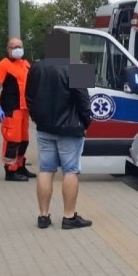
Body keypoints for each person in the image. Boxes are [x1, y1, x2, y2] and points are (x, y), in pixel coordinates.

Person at [25, 32, 93, 230]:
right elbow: (84, 101)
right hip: (71, 129)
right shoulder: (77, 67)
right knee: (71, 171)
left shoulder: (35, 67)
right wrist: (85, 123)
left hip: (44, 128)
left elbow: (29, 97)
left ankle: (43, 216)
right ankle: (69, 217)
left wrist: (37, 119)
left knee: (46, 170)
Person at [0, 37, 36, 181]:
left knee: (24, 140)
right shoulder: (3, 65)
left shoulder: (25, 64)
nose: (17, 49)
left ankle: (20, 166)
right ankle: (10, 170)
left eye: (19, 46)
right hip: (11, 108)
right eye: (14, 46)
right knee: (12, 140)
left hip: (24, 109)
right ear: (8, 49)